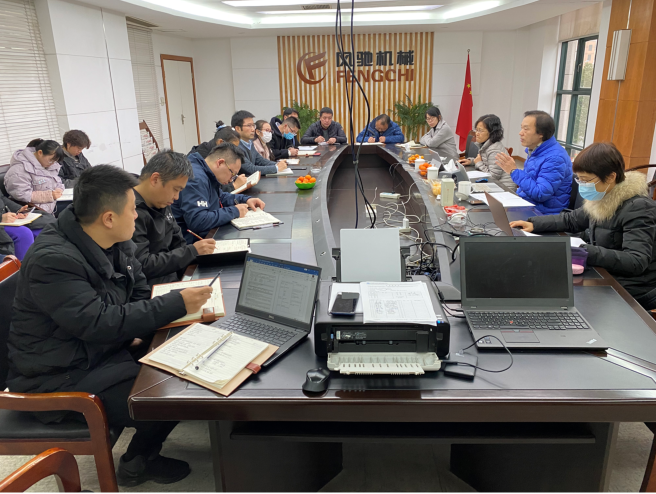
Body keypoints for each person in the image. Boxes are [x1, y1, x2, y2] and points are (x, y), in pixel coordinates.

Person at [6, 165, 214, 487]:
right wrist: (175, 305)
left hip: (96, 351)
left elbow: (139, 289)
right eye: (132, 210)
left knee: (188, 360)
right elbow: (98, 323)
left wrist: (134, 332)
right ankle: (137, 463)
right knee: (170, 394)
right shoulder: (54, 259)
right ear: (108, 218)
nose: (137, 215)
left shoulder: (114, 239)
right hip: (58, 374)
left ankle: (141, 456)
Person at [510, 142, 656, 310]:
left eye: (586, 180)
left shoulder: (638, 208)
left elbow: (636, 261)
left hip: (633, 286)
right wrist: (534, 224)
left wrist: (587, 251)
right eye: (579, 179)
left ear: (610, 177)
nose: (582, 185)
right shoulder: (603, 195)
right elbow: (572, 220)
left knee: (560, 292)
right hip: (605, 271)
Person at [133, 150, 216, 287]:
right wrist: (192, 251)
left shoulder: (161, 201)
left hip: (174, 278)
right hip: (151, 288)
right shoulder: (130, 211)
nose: (176, 197)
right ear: (155, 179)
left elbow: (178, 242)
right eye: (175, 189)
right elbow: (143, 265)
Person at [172, 142, 266, 244]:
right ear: (220, 163)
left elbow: (220, 197)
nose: (231, 180)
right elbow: (198, 221)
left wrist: (245, 199)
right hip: (191, 244)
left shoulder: (205, 172)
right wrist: (234, 211)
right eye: (232, 174)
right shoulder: (196, 178)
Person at [496, 110, 572, 214]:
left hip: (543, 213)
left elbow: (540, 194)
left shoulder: (555, 158)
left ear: (541, 133)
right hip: (527, 204)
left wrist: (514, 171)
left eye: (526, 129)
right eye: (521, 128)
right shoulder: (536, 151)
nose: (520, 133)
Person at [5, 139, 65, 214]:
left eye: (54, 161)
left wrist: (59, 189)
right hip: (34, 209)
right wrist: (50, 195)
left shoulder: (47, 164)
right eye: (51, 160)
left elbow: (57, 180)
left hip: (52, 204)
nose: (52, 163)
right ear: (40, 153)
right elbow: (21, 194)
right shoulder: (19, 170)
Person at [459, 114, 515, 191]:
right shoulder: (486, 145)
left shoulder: (495, 150)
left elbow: (493, 177)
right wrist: (471, 161)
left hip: (503, 188)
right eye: (476, 130)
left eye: (480, 130)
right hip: (494, 185)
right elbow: (486, 162)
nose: (476, 133)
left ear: (492, 132)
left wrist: (478, 162)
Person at [188, 122, 248, 193]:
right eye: (232, 146)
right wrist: (234, 186)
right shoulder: (203, 157)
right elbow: (213, 187)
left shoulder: (213, 151)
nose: (234, 151)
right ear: (221, 142)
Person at [232, 110, 287, 176]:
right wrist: (276, 168)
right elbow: (250, 169)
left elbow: (260, 160)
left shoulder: (250, 142)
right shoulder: (235, 146)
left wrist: (277, 164)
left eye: (253, 125)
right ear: (238, 128)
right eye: (249, 126)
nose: (253, 129)